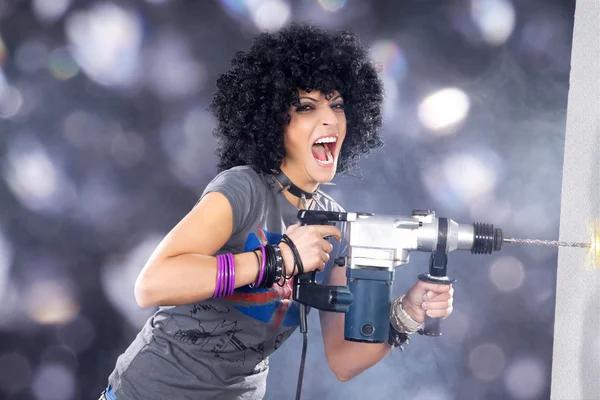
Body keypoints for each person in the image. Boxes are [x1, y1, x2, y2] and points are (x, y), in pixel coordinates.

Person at [101, 23, 454, 400]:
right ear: (273, 123)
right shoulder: (244, 189)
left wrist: (407, 315)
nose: (329, 118)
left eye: (337, 105)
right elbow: (152, 284)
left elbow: (343, 359)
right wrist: (279, 258)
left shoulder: (333, 227)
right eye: (305, 107)